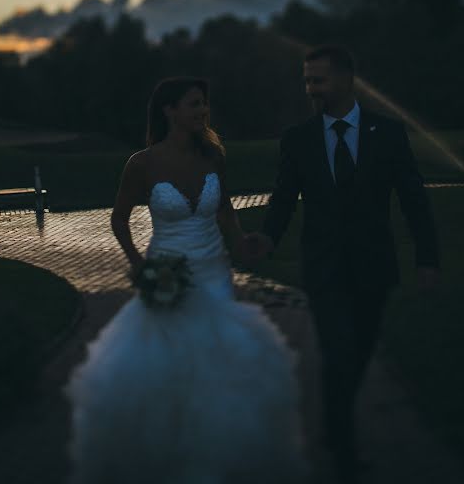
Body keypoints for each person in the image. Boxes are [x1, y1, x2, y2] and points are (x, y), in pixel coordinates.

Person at [64, 77, 307, 484]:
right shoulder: (142, 164)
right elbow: (118, 219)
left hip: (214, 273)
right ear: (169, 110)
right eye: (194, 104)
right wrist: (137, 263)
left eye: (204, 104)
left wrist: (241, 242)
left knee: (220, 366)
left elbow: (225, 210)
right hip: (168, 277)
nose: (202, 112)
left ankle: (220, 455)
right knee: (169, 367)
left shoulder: (213, 155)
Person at [245, 44, 440, 484]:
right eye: (307, 80)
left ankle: (335, 424)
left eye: (319, 79)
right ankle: (344, 448)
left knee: (360, 352)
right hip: (325, 269)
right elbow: (282, 199)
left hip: (374, 266)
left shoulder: (387, 134)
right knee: (339, 352)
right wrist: (267, 237)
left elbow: (413, 199)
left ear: (348, 80)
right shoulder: (298, 139)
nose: (311, 89)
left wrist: (427, 258)